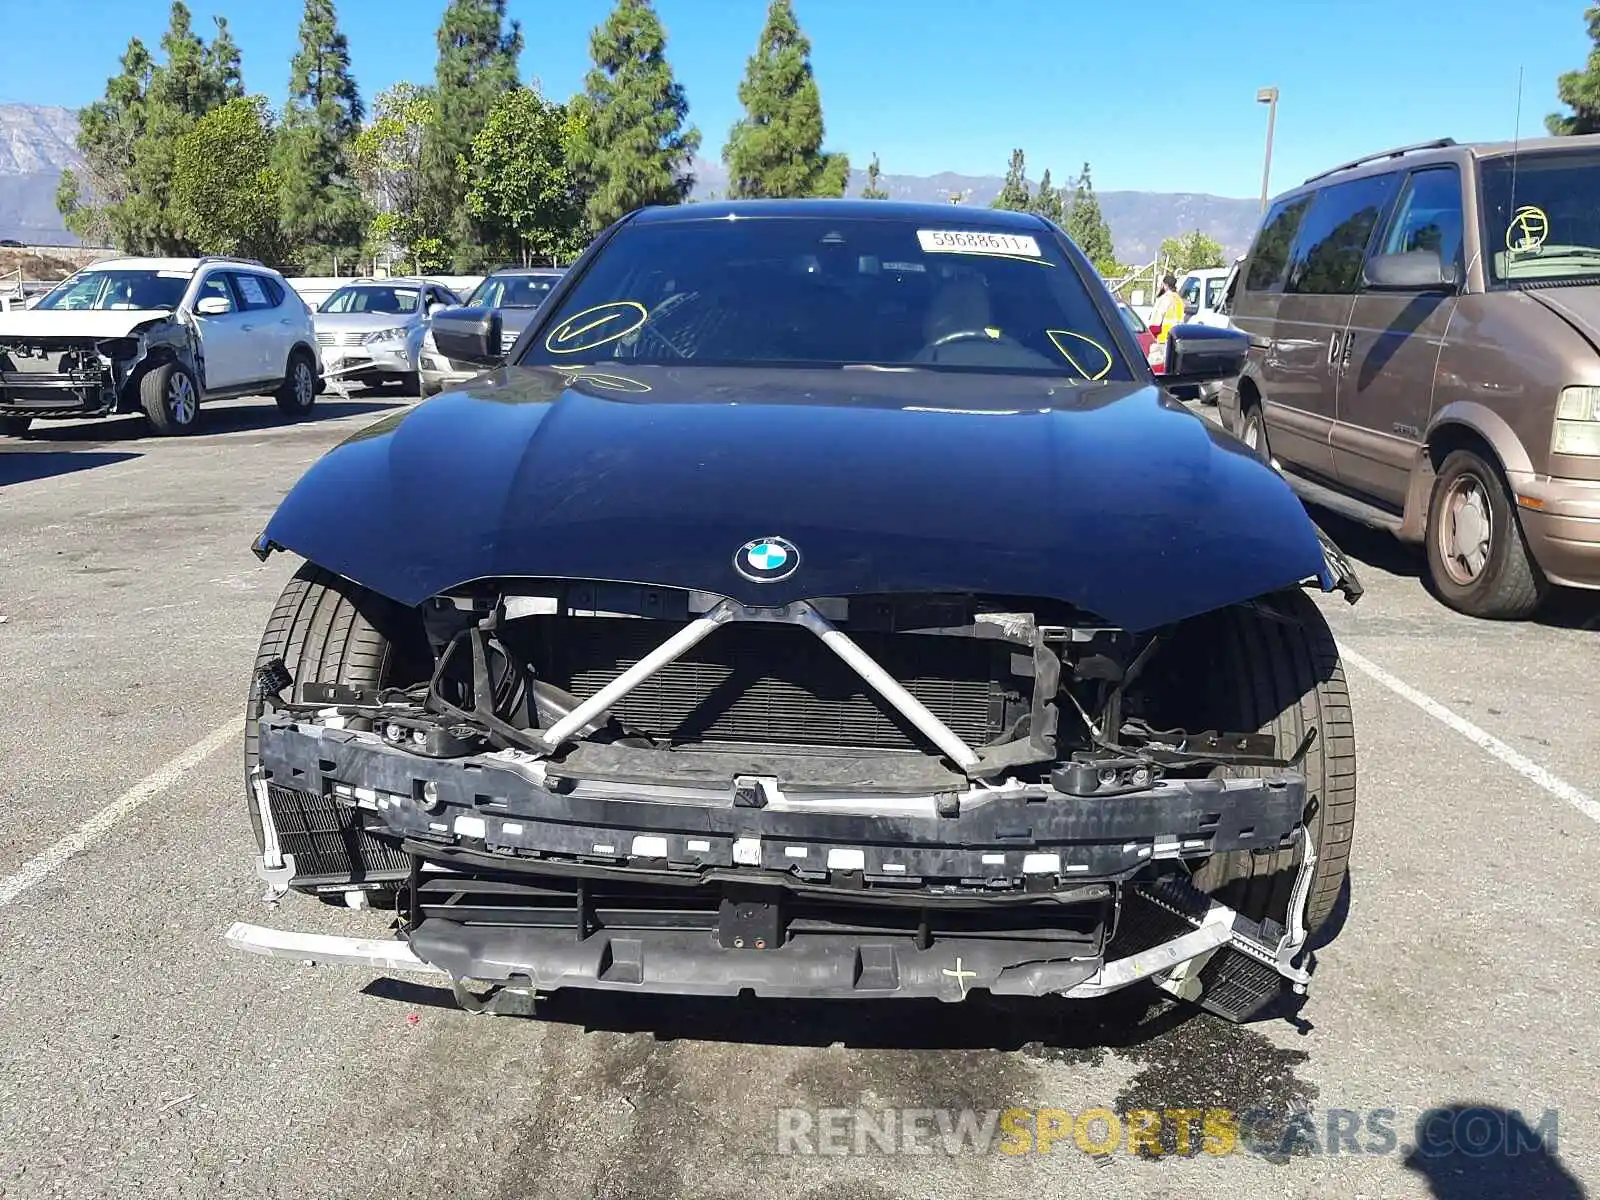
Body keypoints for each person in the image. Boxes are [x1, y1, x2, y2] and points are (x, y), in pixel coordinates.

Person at [1150, 273, 1184, 343]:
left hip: (1164, 336)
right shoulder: (1179, 299)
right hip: (1177, 335)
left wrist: (1152, 333)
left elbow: (1158, 317)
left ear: (1166, 285)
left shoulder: (1165, 298)